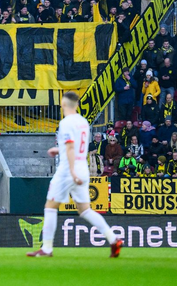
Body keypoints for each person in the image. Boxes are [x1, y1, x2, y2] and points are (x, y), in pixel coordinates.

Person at [27, 91, 123, 258]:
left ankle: (47, 249)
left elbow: (71, 147)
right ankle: (113, 238)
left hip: (68, 170)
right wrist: (58, 150)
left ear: (64, 105)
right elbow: (76, 146)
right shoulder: (83, 122)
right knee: (85, 210)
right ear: (77, 105)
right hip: (82, 167)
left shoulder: (66, 123)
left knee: (50, 207)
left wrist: (71, 172)